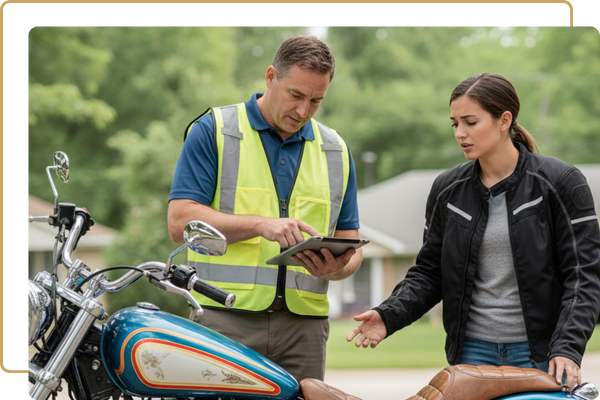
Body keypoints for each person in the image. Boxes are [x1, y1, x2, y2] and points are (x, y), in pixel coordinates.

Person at [347, 73, 600, 392]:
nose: (460, 133)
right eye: (454, 123)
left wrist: (567, 346)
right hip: (471, 354)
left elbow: (585, 274)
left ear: (504, 120)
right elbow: (429, 273)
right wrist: (388, 315)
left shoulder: (561, 182)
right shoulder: (447, 190)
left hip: (541, 353)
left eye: (470, 122)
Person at [168, 35, 362, 384]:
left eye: (316, 101)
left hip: (305, 330)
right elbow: (180, 221)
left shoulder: (336, 150)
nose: (303, 111)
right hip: (224, 318)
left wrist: (338, 268)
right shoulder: (214, 130)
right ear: (271, 77)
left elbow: (352, 242)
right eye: (296, 96)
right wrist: (261, 225)